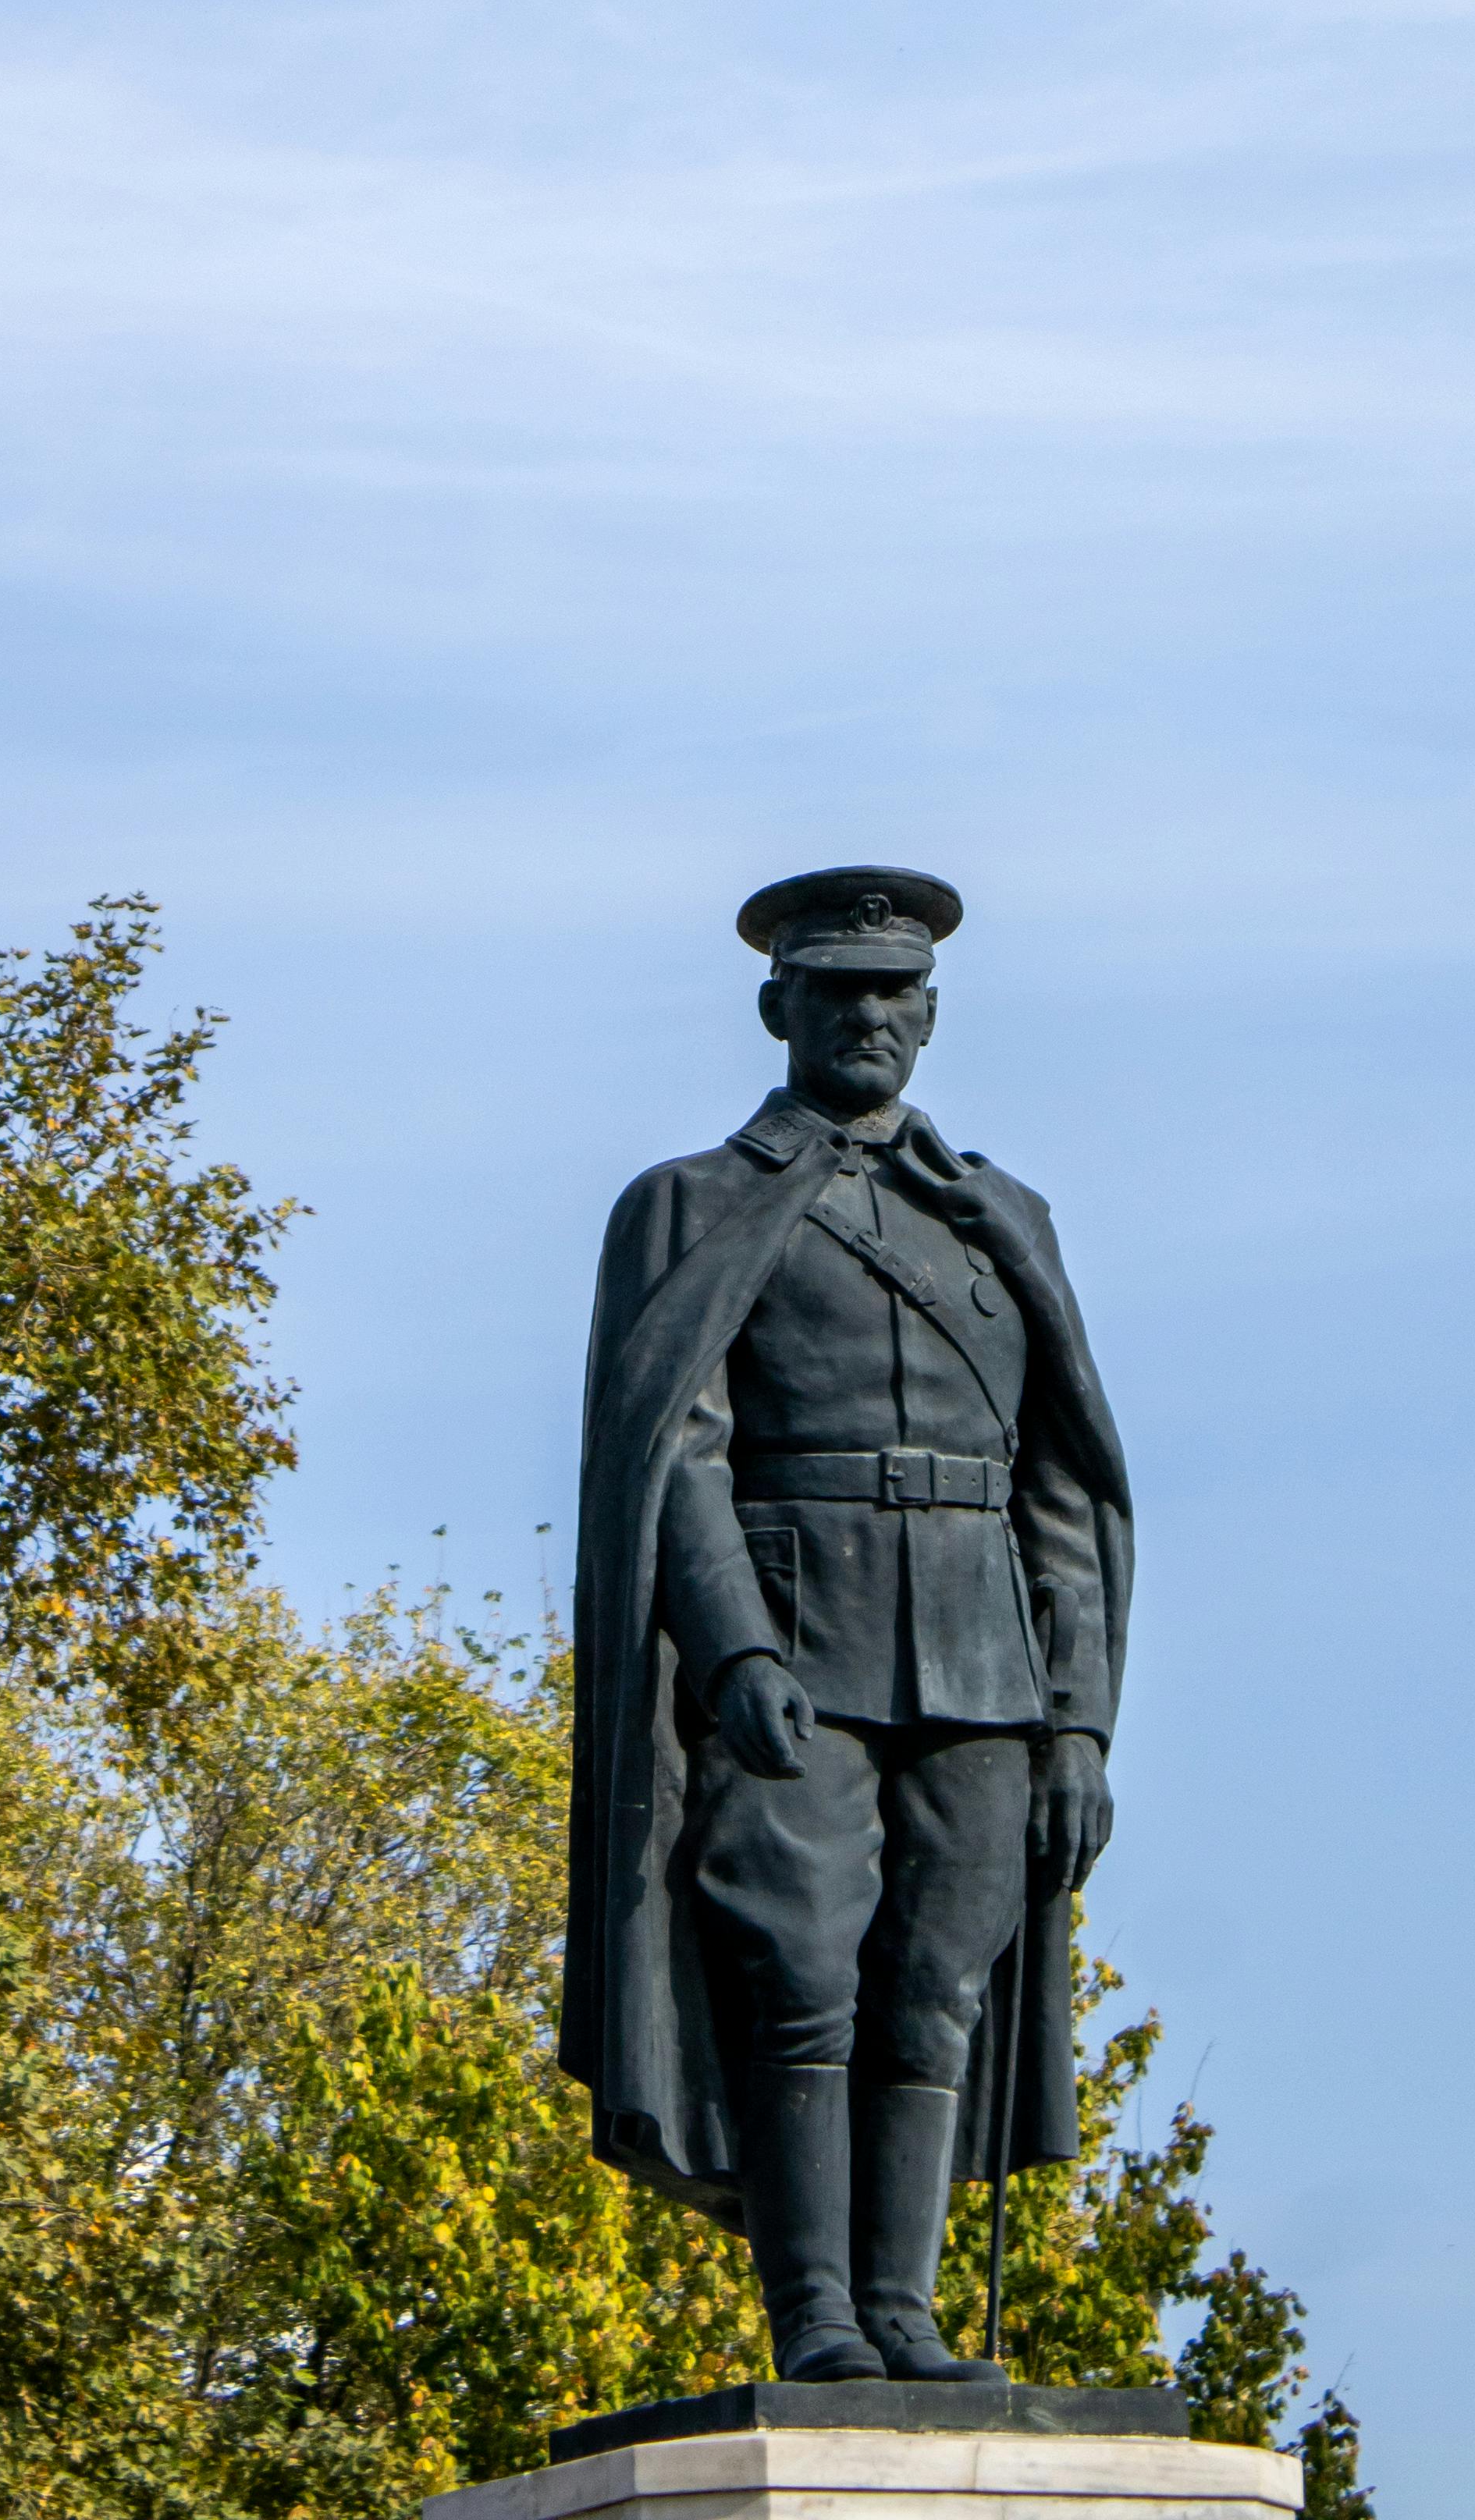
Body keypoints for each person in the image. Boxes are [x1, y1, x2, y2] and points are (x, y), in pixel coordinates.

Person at [560, 864, 1132, 2384]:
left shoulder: (998, 1218)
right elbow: (671, 1446)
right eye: (837, 992)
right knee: (798, 1970)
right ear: (778, 1008)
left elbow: (1063, 1486)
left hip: (985, 1661)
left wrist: (1075, 1720)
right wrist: (734, 1645)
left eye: (894, 994)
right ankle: (812, 2313)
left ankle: (903, 2316)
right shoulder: (687, 1205)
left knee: (938, 1986)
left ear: (930, 1015)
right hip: (794, 1646)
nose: (868, 1018)